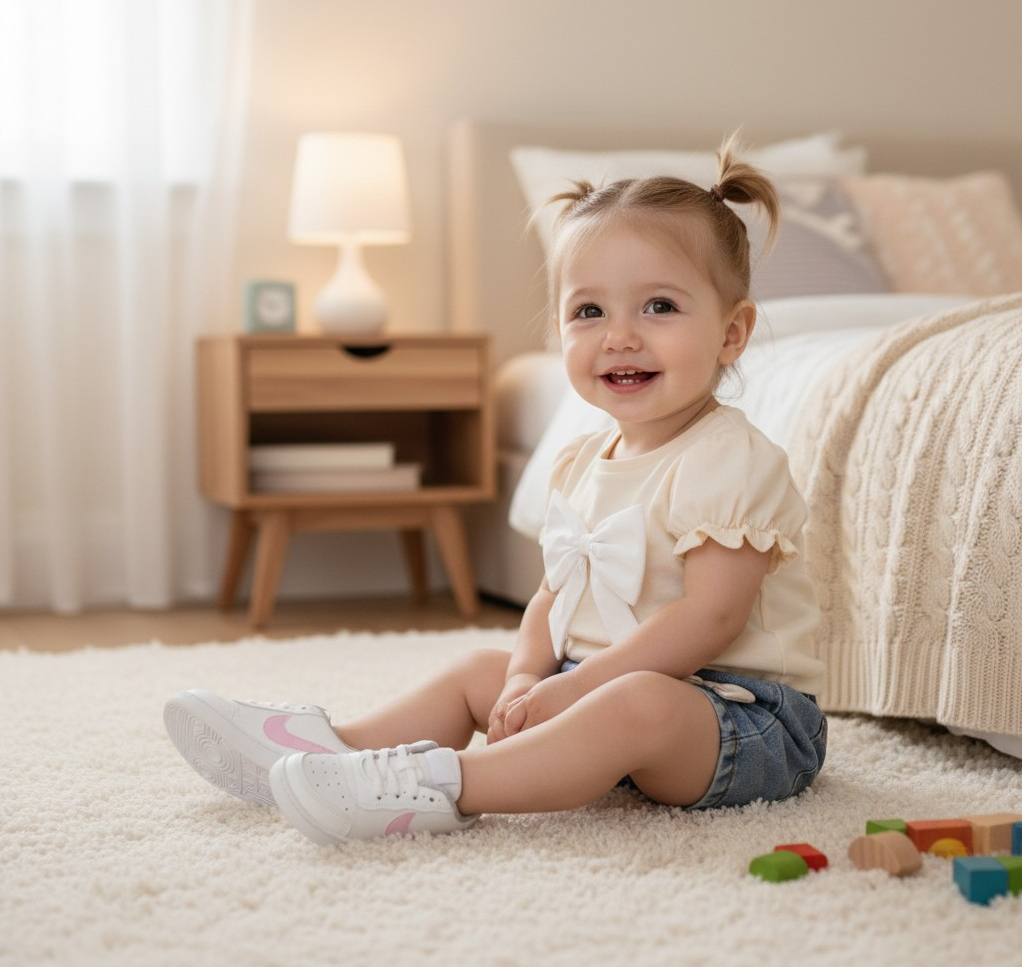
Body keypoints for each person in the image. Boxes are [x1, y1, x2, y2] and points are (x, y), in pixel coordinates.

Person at [165, 133, 827, 844]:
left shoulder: (730, 459)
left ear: (733, 334)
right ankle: (330, 751)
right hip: (602, 684)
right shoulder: (580, 460)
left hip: (739, 716)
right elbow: (555, 594)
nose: (621, 337)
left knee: (637, 699)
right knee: (480, 669)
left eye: (659, 307)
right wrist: (525, 680)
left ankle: (441, 785)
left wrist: (576, 687)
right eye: (589, 312)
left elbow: (710, 621)